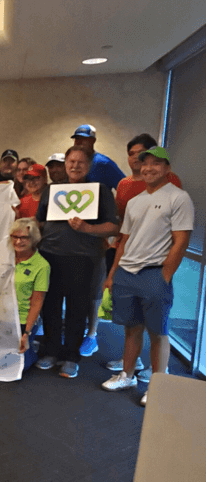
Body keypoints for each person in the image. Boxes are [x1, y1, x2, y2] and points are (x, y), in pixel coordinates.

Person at [100, 146, 193, 406]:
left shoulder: (178, 197)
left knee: (158, 332)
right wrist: (113, 273)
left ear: (167, 168)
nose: (149, 168)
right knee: (131, 329)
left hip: (154, 274)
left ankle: (159, 386)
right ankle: (127, 375)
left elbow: (181, 240)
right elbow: (124, 240)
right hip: (127, 273)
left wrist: (165, 274)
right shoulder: (134, 201)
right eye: (145, 164)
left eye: (156, 163)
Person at [94, 134, 183, 366]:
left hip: (155, 263)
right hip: (126, 257)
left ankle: (157, 377)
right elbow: (123, 222)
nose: (135, 158)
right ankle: (130, 365)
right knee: (131, 320)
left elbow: (178, 232)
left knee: (156, 326)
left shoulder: (171, 183)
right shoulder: (124, 185)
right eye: (131, 154)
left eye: (141, 154)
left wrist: (166, 271)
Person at [34, 146, 119, 379]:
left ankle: (71, 357)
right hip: (49, 255)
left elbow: (114, 227)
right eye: (71, 161)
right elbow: (39, 222)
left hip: (83, 259)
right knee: (50, 306)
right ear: (65, 164)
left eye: (81, 162)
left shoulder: (99, 191)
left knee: (77, 309)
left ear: (89, 166)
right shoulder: (52, 190)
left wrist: (87, 228)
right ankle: (50, 351)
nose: (75, 166)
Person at [12, 218, 50, 372]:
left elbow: (37, 301)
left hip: (21, 318)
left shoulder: (41, 266)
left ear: (33, 239)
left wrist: (26, 332)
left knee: (19, 367)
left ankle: (32, 347)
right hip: (0, 315)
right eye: (15, 237)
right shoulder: (4, 257)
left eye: (24, 238)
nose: (18, 241)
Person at [71, 124, 125, 191]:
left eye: (84, 139)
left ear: (93, 140)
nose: (79, 142)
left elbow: (124, 188)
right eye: (77, 139)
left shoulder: (103, 163)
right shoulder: (70, 163)